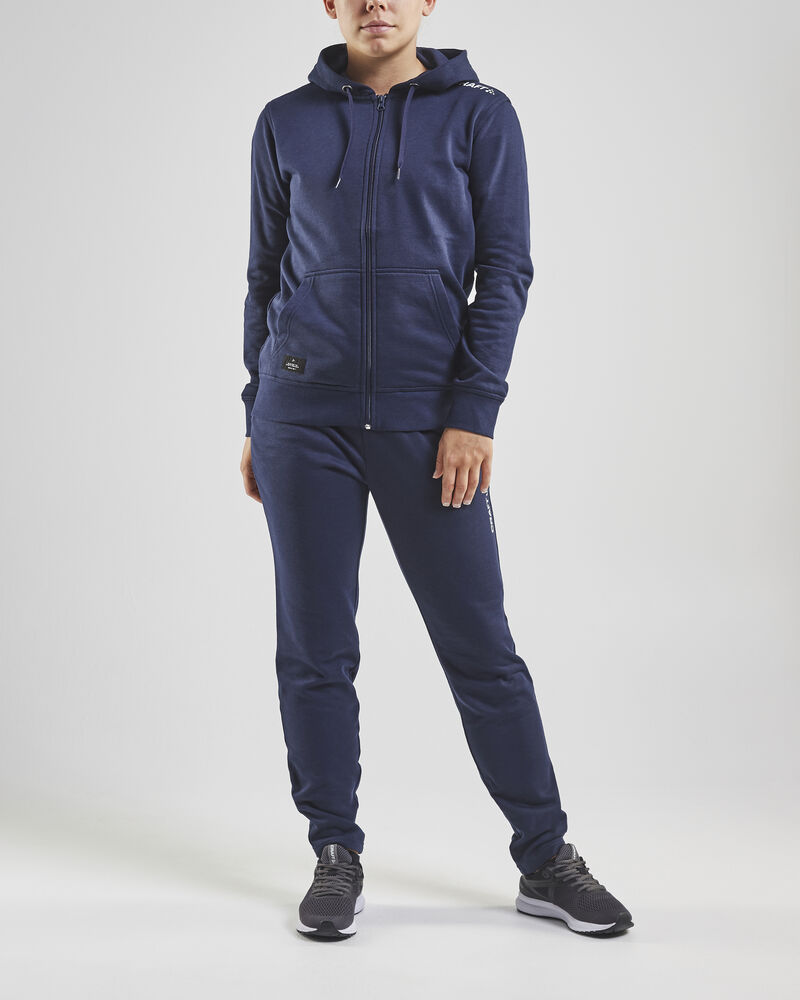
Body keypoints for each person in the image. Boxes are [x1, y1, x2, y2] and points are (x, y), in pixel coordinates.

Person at [239, 0, 633, 942]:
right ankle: (335, 851)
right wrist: (256, 408)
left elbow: (505, 269)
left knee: (480, 646)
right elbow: (264, 274)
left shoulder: (480, 115)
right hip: (303, 419)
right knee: (315, 648)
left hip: (429, 424)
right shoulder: (285, 121)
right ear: (331, 4)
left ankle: (545, 856)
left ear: (425, 4)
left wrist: (472, 412)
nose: (377, 4)